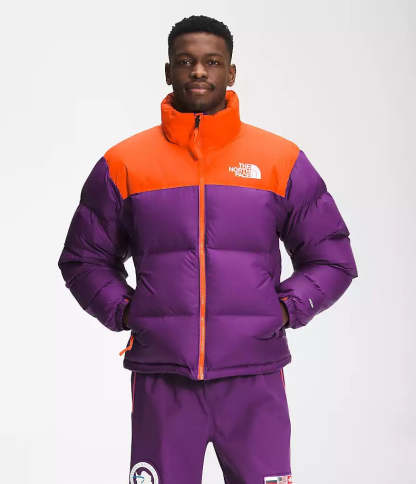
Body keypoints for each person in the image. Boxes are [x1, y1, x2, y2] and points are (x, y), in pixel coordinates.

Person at [58, 14, 358, 484]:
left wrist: (284, 309)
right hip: (163, 379)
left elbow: (332, 256)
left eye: (212, 61)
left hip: (254, 378)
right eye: (186, 61)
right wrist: (127, 310)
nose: (198, 71)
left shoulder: (279, 160)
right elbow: (83, 258)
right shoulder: (125, 163)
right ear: (168, 71)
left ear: (231, 72)